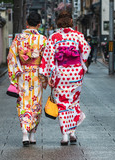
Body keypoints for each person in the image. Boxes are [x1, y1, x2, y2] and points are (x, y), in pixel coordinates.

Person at [39, 11, 90, 145]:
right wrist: (81, 63)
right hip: (75, 73)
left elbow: (49, 57)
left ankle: (65, 136)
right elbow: (86, 50)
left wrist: (49, 75)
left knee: (62, 103)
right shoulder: (78, 35)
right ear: (71, 21)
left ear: (58, 22)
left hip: (60, 74)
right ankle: (72, 132)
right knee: (74, 102)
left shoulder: (54, 37)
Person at [7, 12, 47, 146]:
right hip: (36, 75)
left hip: (22, 75)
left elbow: (11, 58)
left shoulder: (18, 39)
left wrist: (14, 76)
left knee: (23, 102)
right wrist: (45, 78)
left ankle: (25, 131)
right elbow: (47, 61)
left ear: (26, 23)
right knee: (36, 103)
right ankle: (33, 135)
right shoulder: (43, 39)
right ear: (39, 24)